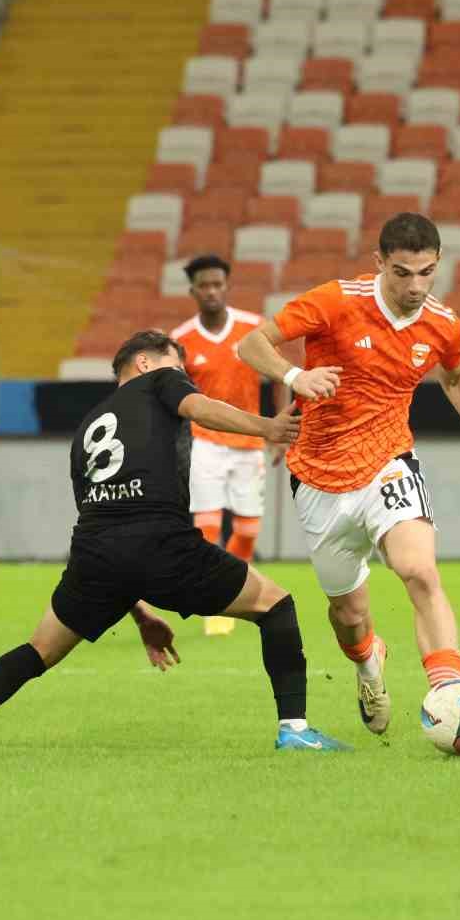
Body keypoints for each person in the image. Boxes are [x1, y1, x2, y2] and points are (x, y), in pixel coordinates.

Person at [0, 330, 348, 752]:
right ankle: (294, 730)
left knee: (39, 650)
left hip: (95, 555)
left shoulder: (87, 429)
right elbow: (198, 407)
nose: (183, 379)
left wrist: (140, 615)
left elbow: (98, 516)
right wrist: (266, 428)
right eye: (178, 369)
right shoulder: (160, 382)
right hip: (160, 541)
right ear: (146, 362)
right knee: (275, 604)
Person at [237, 212, 460, 737]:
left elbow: (456, 375)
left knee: (418, 569)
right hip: (318, 477)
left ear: (438, 264)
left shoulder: (443, 325)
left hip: (388, 464)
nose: (415, 286)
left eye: (426, 273)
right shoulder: (336, 300)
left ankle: (449, 690)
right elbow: (252, 344)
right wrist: (296, 374)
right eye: (402, 273)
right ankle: (367, 660)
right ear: (379, 263)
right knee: (349, 617)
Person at [170, 253, 270, 637]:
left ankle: (234, 590)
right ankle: (216, 600)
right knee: (208, 527)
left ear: (226, 286)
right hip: (204, 441)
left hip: (249, 439)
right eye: (204, 285)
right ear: (193, 290)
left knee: (246, 532)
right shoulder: (181, 340)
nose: (211, 291)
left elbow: (279, 376)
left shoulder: (252, 328)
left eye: (218, 284)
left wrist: (277, 429)